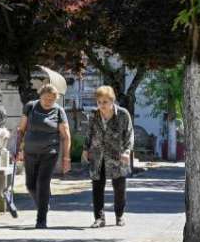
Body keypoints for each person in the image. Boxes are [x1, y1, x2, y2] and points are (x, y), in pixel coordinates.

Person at [16, 84, 71, 229]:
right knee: (30, 185)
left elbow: (66, 136)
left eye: (52, 99)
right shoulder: (30, 107)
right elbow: (21, 130)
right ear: (40, 96)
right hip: (30, 152)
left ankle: (41, 220)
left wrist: (66, 158)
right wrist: (18, 149)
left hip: (49, 153)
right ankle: (43, 205)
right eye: (46, 98)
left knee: (43, 183)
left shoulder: (59, 111)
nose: (48, 102)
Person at [82, 85, 134, 228]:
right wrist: (85, 149)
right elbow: (89, 133)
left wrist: (127, 151)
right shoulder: (94, 115)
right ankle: (99, 218)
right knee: (97, 187)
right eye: (99, 102)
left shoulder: (123, 114)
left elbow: (129, 134)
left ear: (112, 100)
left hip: (118, 156)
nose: (101, 105)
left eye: (105, 102)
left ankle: (119, 215)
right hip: (98, 156)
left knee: (119, 187)